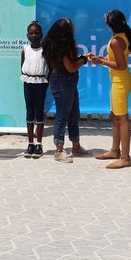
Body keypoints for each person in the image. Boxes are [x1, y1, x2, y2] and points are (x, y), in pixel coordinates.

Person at [89, 10, 131, 169]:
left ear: (110, 24)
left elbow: (121, 66)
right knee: (115, 116)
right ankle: (115, 150)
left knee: (122, 119)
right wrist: (100, 59)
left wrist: (101, 62)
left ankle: (125, 157)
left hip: (120, 81)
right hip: (118, 80)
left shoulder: (116, 40)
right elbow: (115, 60)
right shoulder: (119, 37)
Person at [41, 18, 90, 163]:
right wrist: (83, 59)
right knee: (63, 116)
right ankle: (59, 150)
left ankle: (76, 145)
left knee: (74, 113)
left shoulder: (50, 44)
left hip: (60, 80)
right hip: (64, 81)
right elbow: (71, 67)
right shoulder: (63, 47)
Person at [20, 21, 47, 159]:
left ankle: (39, 143)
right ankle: (30, 143)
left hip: (41, 83)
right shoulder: (25, 49)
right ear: (27, 35)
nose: (34, 35)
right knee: (29, 111)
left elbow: (50, 67)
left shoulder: (45, 50)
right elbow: (22, 66)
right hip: (28, 83)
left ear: (41, 34)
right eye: (31, 33)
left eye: (37, 33)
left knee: (39, 112)